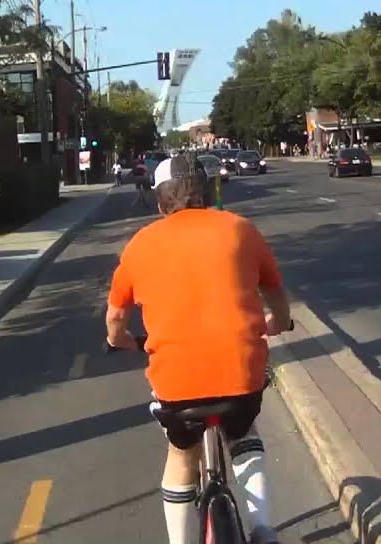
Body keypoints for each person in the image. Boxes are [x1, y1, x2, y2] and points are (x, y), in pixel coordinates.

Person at [105, 154, 293, 544]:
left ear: (160, 202)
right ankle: (264, 531)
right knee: (243, 434)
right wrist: (276, 323)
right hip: (241, 375)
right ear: (206, 194)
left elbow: (115, 322)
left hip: (177, 385)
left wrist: (121, 343)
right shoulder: (241, 229)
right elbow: (275, 294)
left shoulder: (140, 244)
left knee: (182, 453)